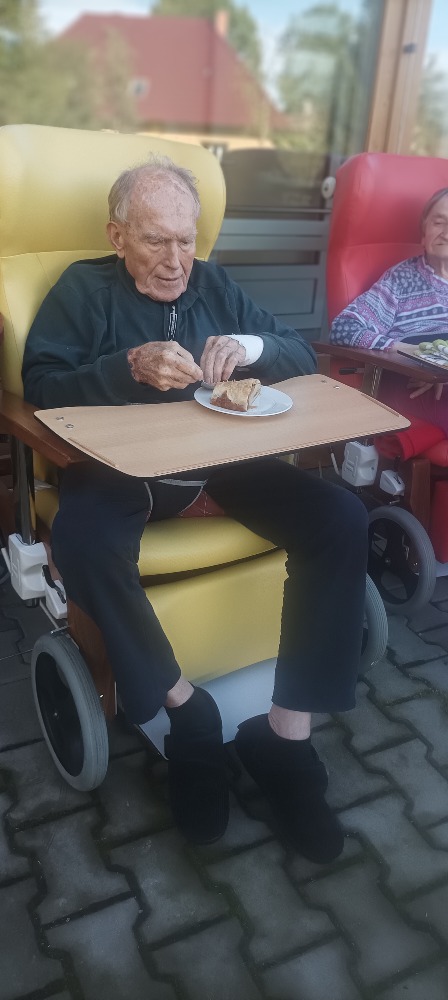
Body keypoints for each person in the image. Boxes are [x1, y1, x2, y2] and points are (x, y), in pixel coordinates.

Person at [22, 156, 368, 862]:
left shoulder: (214, 283)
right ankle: (187, 713)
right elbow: (41, 385)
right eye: (156, 241)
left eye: (187, 239)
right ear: (118, 235)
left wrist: (252, 346)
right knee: (83, 538)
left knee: (340, 519)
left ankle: (284, 737)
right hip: (120, 473)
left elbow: (299, 354)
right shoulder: (83, 289)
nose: (177, 261)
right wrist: (124, 368)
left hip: (225, 463)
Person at [330, 187, 448, 434]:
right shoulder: (402, 279)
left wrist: (442, 368)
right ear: (423, 233)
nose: (446, 233)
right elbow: (344, 328)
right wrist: (416, 356)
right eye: (439, 222)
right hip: (412, 386)